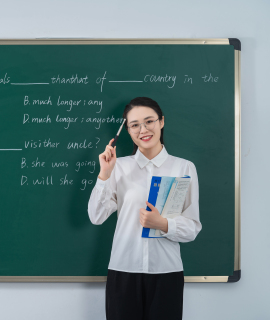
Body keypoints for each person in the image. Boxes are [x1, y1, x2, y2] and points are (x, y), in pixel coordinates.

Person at [87, 97, 202, 320]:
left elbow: (192, 227)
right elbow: (96, 216)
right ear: (127, 130)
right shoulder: (118, 166)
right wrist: (104, 174)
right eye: (135, 125)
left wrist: (164, 224)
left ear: (162, 122)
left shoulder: (184, 167)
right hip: (123, 270)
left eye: (149, 121)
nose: (143, 129)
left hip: (166, 272)